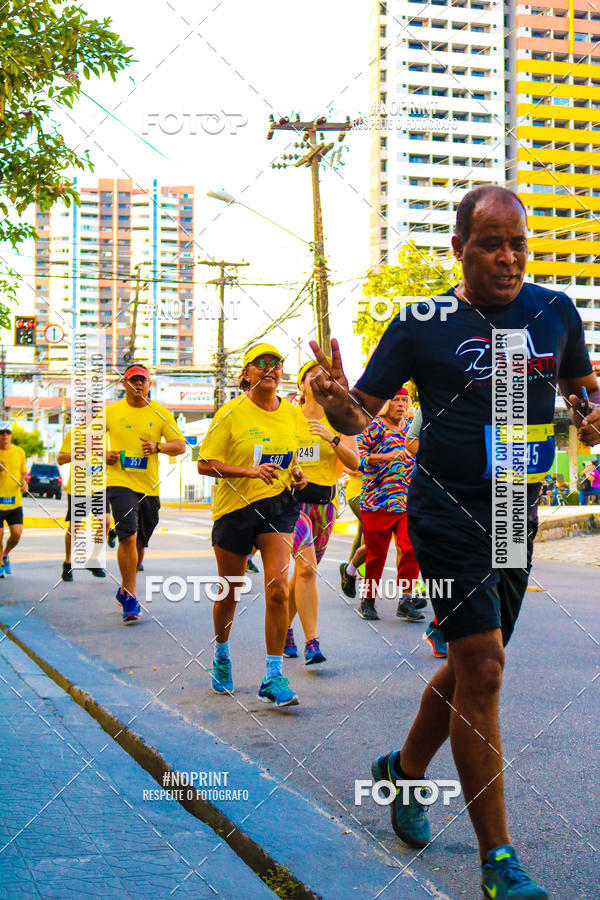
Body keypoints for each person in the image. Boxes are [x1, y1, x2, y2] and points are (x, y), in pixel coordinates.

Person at [309, 186, 600, 899]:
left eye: (519, 244)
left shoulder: (555, 312)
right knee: (487, 668)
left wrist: (591, 419)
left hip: (511, 511)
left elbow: (584, 395)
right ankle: (499, 862)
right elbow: (357, 419)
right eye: (491, 244)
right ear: (459, 248)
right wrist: (332, 394)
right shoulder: (420, 323)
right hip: (442, 513)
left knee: (476, 665)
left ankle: (401, 774)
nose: (508, 259)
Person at [198, 343, 308, 708]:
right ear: (246, 374)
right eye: (260, 364)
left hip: (278, 507)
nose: (270, 370)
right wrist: (249, 471)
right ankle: (221, 653)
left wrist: (297, 472)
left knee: (279, 587)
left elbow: (298, 455)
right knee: (230, 591)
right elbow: (204, 464)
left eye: (276, 365)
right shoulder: (230, 413)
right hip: (235, 510)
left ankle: (273, 675)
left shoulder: (292, 414)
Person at [285, 360, 359, 663]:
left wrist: (332, 439)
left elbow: (354, 464)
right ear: (302, 386)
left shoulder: (339, 420)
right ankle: (311, 641)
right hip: (291, 504)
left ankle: (284, 626)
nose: (318, 381)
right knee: (306, 569)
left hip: (325, 508)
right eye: (311, 377)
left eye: (324, 377)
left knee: (304, 572)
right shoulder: (288, 418)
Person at [105, 364, 186, 622]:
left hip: (149, 487)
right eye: (132, 380)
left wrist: (158, 447)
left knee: (140, 541)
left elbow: (180, 445)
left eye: (142, 380)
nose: (138, 384)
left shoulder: (160, 413)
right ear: (124, 385)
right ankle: (131, 596)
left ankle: (125, 587)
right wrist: (102, 454)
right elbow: (87, 440)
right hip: (119, 481)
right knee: (127, 536)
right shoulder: (110, 412)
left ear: (149, 384)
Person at [354, 388, 422, 622]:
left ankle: (406, 599)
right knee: (376, 555)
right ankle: (368, 599)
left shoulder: (411, 429)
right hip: (376, 502)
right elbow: (357, 457)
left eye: (405, 400)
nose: (401, 404)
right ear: (385, 404)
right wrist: (386, 456)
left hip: (406, 502)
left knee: (411, 547)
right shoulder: (373, 426)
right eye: (396, 400)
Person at [404, 408, 447, 659]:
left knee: (502, 573)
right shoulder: (434, 396)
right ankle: (442, 625)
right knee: (451, 565)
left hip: (499, 494)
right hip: (444, 492)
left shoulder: (502, 392)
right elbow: (411, 441)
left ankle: (444, 624)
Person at [57, 426, 112, 581]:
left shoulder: (107, 434)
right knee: (75, 527)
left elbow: (110, 458)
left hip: (99, 487)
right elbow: (60, 459)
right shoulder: (74, 433)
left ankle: (94, 559)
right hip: (79, 487)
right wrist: (81, 451)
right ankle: (67, 563)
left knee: (106, 520)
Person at [0, 421, 27, 578]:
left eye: (7, 432)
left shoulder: (19, 452)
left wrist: (24, 482)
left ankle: (5, 554)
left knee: (16, 534)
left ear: (11, 434)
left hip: (14, 501)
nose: (5, 435)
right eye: (1, 432)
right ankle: (1, 564)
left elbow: (23, 472)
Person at [339, 466, 365, 598]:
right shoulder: (356, 444)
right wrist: (352, 470)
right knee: (370, 530)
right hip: (356, 493)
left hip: (373, 494)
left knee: (362, 531)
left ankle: (349, 572)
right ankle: (360, 569)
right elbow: (341, 463)